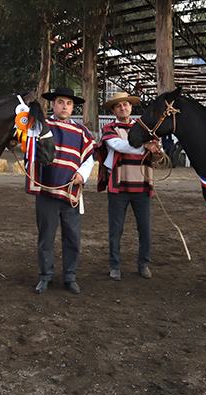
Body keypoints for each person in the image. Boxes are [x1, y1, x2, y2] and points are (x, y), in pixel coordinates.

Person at [27, 87, 96, 294]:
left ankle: (69, 276)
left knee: (72, 237)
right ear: (53, 105)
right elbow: (29, 147)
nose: (64, 106)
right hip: (47, 190)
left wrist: (82, 175)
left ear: (73, 107)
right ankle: (45, 275)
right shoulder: (41, 126)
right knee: (46, 237)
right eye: (60, 102)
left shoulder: (82, 131)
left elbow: (89, 158)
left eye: (68, 103)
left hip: (71, 192)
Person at [98, 92, 164, 281]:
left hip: (142, 186)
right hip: (119, 186)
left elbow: (156, 148)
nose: (123, 108)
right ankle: (115, 265)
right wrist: (147, 146)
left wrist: (157, 152)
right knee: (115, 228)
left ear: (131, 107)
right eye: (118, 106)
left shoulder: (144, 128)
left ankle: (143, 263)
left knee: (145, 228)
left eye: (126, 105)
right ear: (113, 110)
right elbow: (120, 145)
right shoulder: (109, 128)